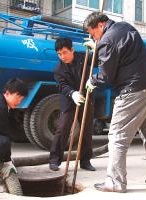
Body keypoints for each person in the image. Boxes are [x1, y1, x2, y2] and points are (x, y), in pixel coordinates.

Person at [83, 12, 146, 192]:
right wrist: (99, 45)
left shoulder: (106, 40)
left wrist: (92, 80)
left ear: (100, 25)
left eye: (93, 34)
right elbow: (122, 53)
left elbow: (107, 76)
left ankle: (115, 182)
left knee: (116, 137)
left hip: (133, 91)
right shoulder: (125, 27)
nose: (93, 37)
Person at [49, 37, 95, 172]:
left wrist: (95, 49)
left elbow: (100, 60)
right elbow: (62, 86)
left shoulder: (84, 57)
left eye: (65, 52)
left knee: (86, 130)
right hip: (69, 99)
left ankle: (85, 161)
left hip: (86, 97)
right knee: (63, 128)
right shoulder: (58, 69)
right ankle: (54, 160)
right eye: (59, 54)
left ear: (72, 50)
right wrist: (73, 94)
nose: (62, 56)